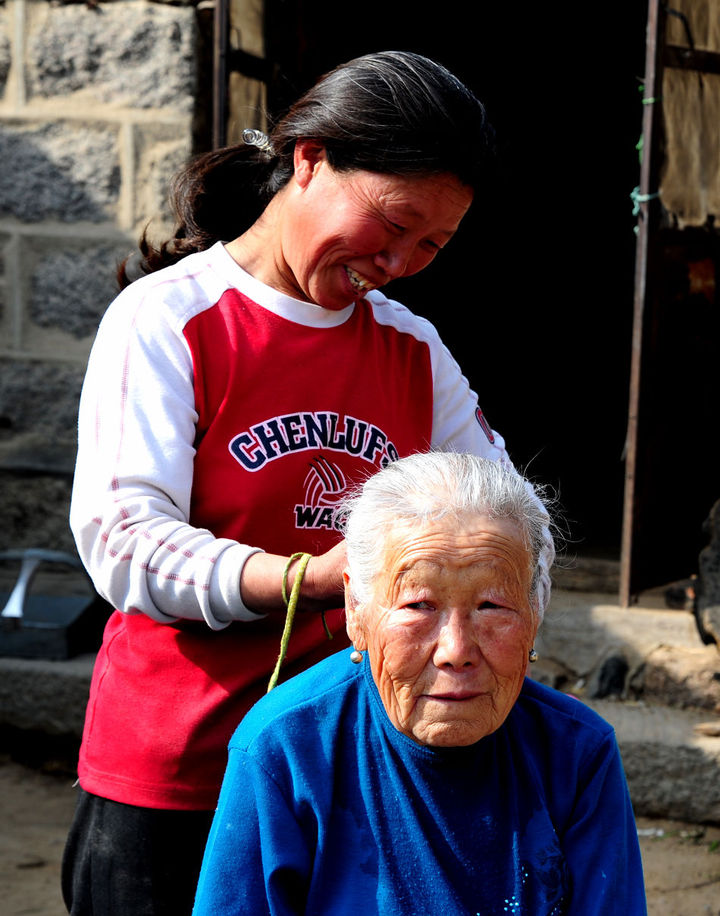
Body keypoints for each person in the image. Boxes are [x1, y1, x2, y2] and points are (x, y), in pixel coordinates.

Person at [62, 51, 553, 915]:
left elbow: (510, 519)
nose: (400, 261)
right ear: (311, 158)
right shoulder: (168, 320)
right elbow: (123, 539)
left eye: (432, 244)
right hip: (182, 772)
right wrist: (310, 578)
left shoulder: (411, 348)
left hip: (349, 770)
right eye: (392, 224)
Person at [193, 453, 646, 916]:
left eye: (491, 605)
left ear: (535, 613)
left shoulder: (578, 754)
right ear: (356, 609)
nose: (456, 649)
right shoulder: (284, 748)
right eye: (418, 605)